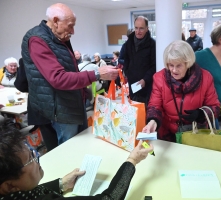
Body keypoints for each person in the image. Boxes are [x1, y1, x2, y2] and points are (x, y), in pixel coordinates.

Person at [21, 3, 119, 145]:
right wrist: (97, 74)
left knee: (81, 145)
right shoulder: (38, 40)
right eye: (70, 26)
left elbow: (69, 70)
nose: (73, 31)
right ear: (55, 21)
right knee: (70, 149)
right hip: (60, 111)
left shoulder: (59, 38)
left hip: (72, 104)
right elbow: (58, 78)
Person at [0, 127, 154, 200]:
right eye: (31, 159)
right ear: (9, 186)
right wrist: (133, 160)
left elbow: (28, 194)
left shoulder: (13, 194)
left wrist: (61, 184)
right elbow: (109, 199)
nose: (38, 156)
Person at [142, 40, 221, 142]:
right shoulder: (159, 78)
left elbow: (215, 107)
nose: (174, 70)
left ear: (188, 63)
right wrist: (152, 121)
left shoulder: (206, 77)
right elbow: (154, 105)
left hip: (195, 133)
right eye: (171, 65)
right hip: (167, 134)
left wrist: (200, 114)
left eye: (179, 65)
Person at [14, 58, 58, 152]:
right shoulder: (56, 52)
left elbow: (20, 84)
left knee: (50, 137)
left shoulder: (27, 59)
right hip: (61, 101)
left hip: (39, 101)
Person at [123, 16, 156, 105]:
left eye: (141, 28)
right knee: (133, 110)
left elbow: (154, 65)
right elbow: (126, 60)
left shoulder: (152, 44)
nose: (138, 31)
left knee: (144, 111)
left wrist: (145, 80)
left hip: (146, 85)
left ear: (147, 29)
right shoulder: (129, 42)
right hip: (132, 84)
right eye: (136, 28)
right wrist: (126, 72)